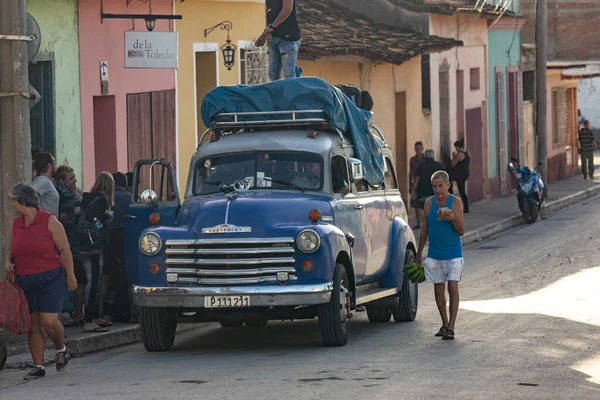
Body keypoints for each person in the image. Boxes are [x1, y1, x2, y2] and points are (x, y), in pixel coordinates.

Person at [3, 183, 78, 380]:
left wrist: (70, 275)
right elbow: (11, 248)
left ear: (23, 201)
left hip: (50, 277)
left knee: (49, 321)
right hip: (25, 279)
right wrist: (7, 262)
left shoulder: (49, 221)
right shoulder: (17, 224)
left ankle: (61, 349)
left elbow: (65, 250)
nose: (12, 205)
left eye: (14, 201)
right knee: (33, 325)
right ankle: (39, 365)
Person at [416, 171, 465, 341]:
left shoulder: (456, 203)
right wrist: (418, 254)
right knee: (438, 290)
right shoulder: (429, 204)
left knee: (453, 288)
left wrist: (452, 217)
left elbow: (461, 231)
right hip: (434, 253)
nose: (438, 190)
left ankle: (451, 327)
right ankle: (444, 323)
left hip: (453, 253)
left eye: (440, 186)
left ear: (448, 185)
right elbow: (424, 230)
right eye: (434, 186)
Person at [77, 172, 115, 333]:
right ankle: (89, 320)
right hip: (92, 246)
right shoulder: (100, 200)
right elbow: (94, 219)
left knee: (94, 282)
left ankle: (94, 317)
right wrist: (103, 225)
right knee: (93, 283)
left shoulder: (89, 198)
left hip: (82, 245)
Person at [55, 166, 87, 326]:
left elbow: (84, 200)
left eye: (74, 177)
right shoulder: (62, 195)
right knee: (76, 278)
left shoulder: (71, 192)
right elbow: (66, 216)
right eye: (71, 178)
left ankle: (76, 314)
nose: (74, 180)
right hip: (65, 243)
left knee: (77, 278)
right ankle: (72, 315)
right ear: (61, 181)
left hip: (73, 243)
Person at [99, 172, 133, 324]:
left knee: (105, 277)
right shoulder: (131, 198)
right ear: (125, 184)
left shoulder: (105, 198)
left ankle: (99, 313)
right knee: (130, 276)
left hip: (107, 241)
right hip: (126, 240)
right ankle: (133, 312)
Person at [255, 0, 301, 81]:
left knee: (289, 73)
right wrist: (264, 36)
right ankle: (277, 93)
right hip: (274, 38)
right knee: (273, 74)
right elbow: (272, 15)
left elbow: (287, 9)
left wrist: (272, 27)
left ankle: (292, 92)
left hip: (288, 38)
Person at [32, 151, 59, 218]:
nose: (56, 167)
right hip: (46, 225)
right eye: (55, 164)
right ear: (49, 166)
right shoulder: (43, 181)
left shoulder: (43, 181)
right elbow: (30, 193)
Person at [450, 139, 470, 213]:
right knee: (461, 191)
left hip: (459, 175)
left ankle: (466, 207)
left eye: (456, 147)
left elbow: (453, 164)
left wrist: (453, 156)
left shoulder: (459, 154)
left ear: (457, 147)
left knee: (461, 191)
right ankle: (465, 207)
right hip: (465, 174)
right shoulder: (467, 153)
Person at [409, 141, 426, 229]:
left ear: (422, 149)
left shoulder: (426, 159)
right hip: (415, 183)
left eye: (419, 149)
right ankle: (419, 223)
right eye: (416, 149)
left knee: (425, 203)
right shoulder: (412, 160)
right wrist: (410, 185)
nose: (417, 151)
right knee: (416, 204)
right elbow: (411, 172)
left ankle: (426, 222)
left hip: (425, 183)